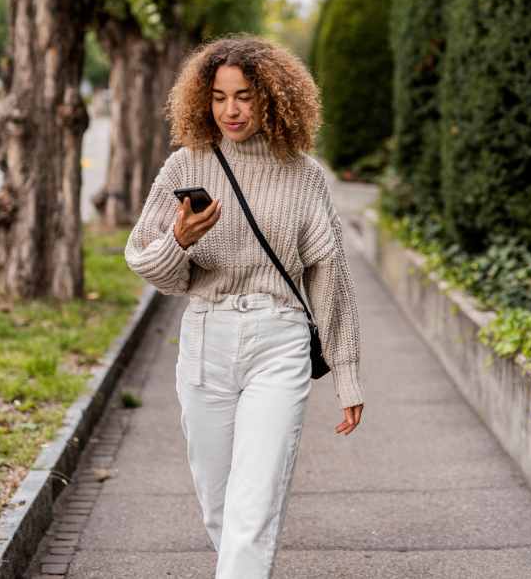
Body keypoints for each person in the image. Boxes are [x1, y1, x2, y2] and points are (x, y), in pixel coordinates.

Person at [124, 34, 364, 578]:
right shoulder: (187, 165)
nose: (230, 109)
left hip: (278, 342)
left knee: (253, 509)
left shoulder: (305, 177)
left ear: (273, 98)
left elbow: (331, 277)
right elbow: (149, 265)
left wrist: (347, 374)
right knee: (220, 507)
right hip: (206, 338)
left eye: (245, 96)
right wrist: (179, 240)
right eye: (218, 96)